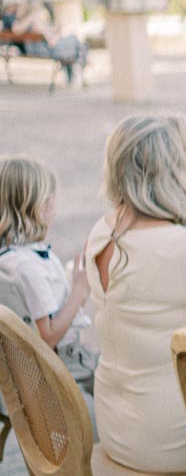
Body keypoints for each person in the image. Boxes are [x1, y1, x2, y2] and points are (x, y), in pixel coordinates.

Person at [84, 115, 186, 474]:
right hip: (171, 439)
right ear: (175, 172)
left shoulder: (103, 229)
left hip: (119, 424)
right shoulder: (185, 248)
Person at [0, 156, 95, 406]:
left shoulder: (11, 257)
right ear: (42, 208)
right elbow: (48, 336)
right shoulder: (29, 268)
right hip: (63, 363)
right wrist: (79, 291)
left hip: (25, 370)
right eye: (53, 203)